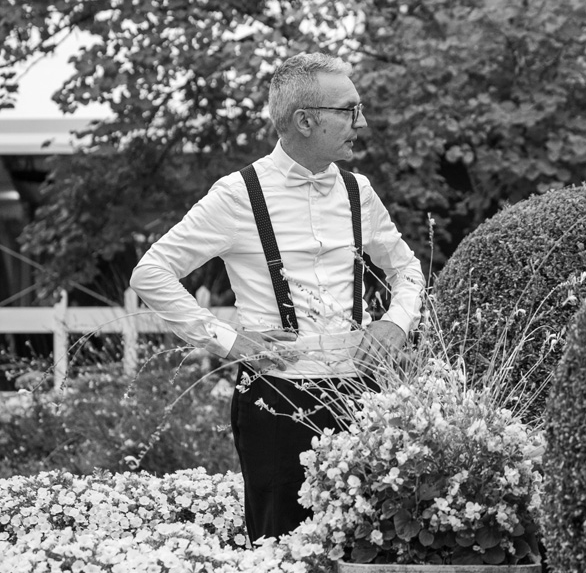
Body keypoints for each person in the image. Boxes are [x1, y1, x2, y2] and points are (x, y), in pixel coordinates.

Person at [130, 52, 425, 544]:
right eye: (349, 110)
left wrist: (395, 321)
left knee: (367, 546)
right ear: (305, 120)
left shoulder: (359, 192)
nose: (361, 122)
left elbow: (407, 268)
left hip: (363, 395)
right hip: (275, 399)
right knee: (279, 547)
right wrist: (229, 341)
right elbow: (150, 273)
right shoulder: (237, 194)